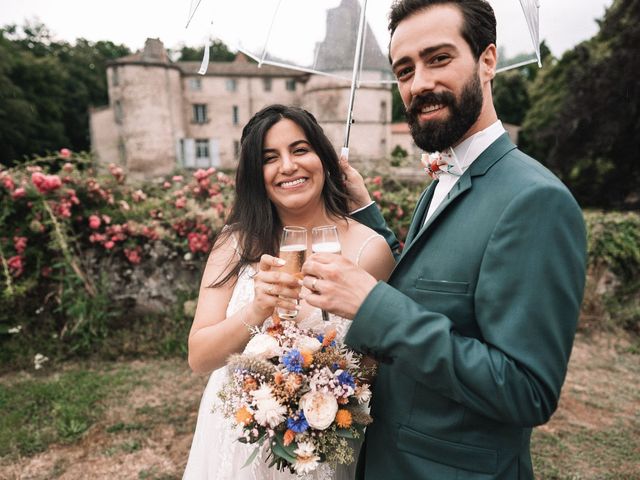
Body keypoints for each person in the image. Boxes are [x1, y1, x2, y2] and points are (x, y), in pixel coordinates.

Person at [301, 1, 587, 478]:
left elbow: (525, 390)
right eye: (404, 69)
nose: (419, 84)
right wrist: (365, 210)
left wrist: (372, 306)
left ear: (487, 60)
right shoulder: (444, 181)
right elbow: (429, 289)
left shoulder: (536, 202)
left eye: (439, 59)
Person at [183, 104, 395, 480]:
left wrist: (320, 391)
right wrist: (256, 309)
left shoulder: (369, 250)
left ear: (323, 157)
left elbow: (378, 367)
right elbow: (199, 357)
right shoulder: (235, 242)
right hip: (235, 440)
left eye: (300, 150)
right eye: (269, 158)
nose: (288, 166)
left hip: (322, 449)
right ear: (255, 174)